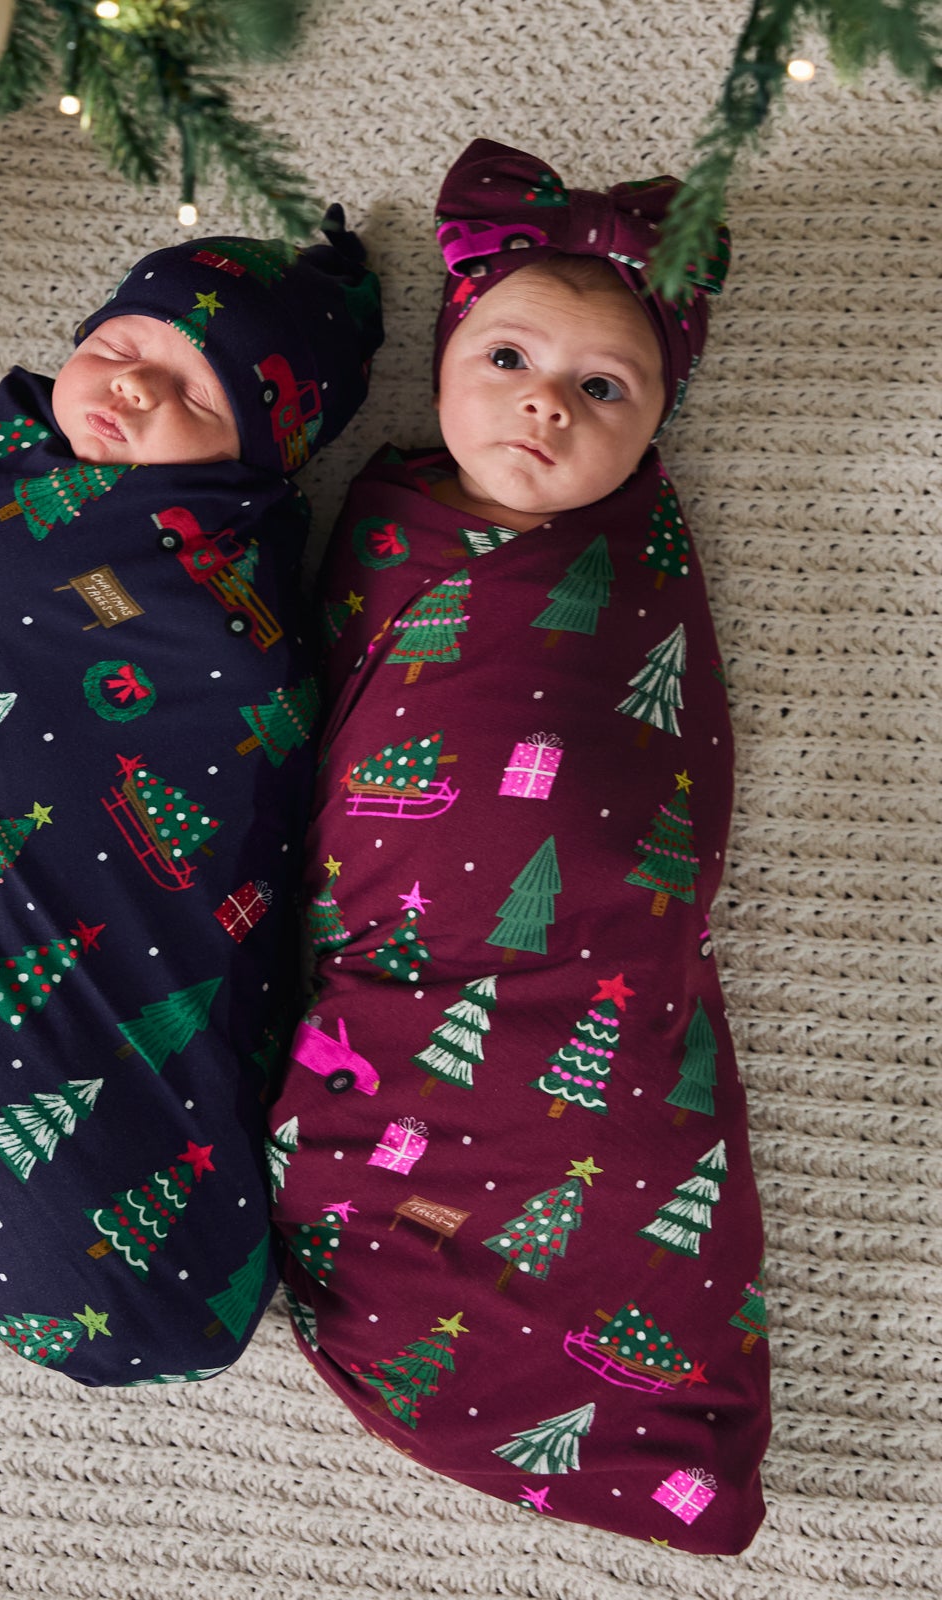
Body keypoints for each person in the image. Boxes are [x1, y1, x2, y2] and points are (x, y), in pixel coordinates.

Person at [268, 143, 771, 1553]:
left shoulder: (636, 549)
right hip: (403, 960)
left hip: (594, 967)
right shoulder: (381, 518)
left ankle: (667, 1445)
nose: (545, 400)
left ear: (657, 427)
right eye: (507, 357)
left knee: (634, 1161)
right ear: (440, 368)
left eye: (603, 387)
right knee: (371, 1127)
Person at [0, 210, 382, 1386]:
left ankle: (129, 1257)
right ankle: (56, 1245)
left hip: (144, 881)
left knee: (142, 1015)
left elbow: (256, 707)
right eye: (116, 350)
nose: (132, 392)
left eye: (192, 400)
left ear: (248, 468)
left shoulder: (232, 563)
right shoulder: (0, 472)